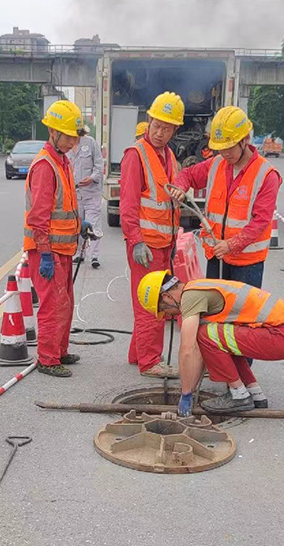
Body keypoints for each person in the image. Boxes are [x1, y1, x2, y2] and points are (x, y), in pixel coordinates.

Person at [137, 270, 284, 414]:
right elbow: (204, 353)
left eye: (164, 310)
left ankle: (238, 395)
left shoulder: (190, 297)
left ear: (166, 297)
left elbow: (188, 349)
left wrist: (186, 393)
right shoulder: (198, 287)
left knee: (205, 334)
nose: (171, 315)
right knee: (221, 339)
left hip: (282, 335)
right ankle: (254, 393)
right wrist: (190, 389)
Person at [167, 106, 281, 290]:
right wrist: (180, 187)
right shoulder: (217, 163)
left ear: (245, 140)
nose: (225, 153)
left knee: (242, 315)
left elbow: (261, 221)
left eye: (229, 148)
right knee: (216, 314)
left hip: (247, 262)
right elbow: (188, 174)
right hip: (217, 255)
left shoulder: (266, 175)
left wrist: (232, 245)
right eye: (221, 148)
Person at [120, 91, 184, 379]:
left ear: (175, 130)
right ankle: (150, 362)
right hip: (145, 245)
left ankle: (138, 354)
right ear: (149, 120)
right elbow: (129, 204)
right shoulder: (136, 155)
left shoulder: (168, 155)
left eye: (167, 128)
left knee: (150, 300)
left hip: (163, 244)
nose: (160, 133)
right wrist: (135, 240)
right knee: (152, 304)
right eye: (157, 125)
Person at [23, 100, 84, 378]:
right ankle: (48, 358)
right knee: (52, 304)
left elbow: (65, 205)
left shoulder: (62, 161)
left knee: (64, 302)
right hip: (47, 250)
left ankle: (59, 350)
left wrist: (80, 226)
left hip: (63, 248)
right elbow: (39, 216)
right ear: (54, 133)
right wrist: (45, 252)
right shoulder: (46, 165)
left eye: (75, 136)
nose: (73, 141)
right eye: (69, 136)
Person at [68, 124, 104, 268]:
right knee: (77, 224)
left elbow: (99, 165)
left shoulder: (90, 143)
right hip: (74, 194)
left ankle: (94, 256)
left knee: (92, 224)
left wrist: (92, 177)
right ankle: (78, 254)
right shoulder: (66, 147)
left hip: (91, 192)